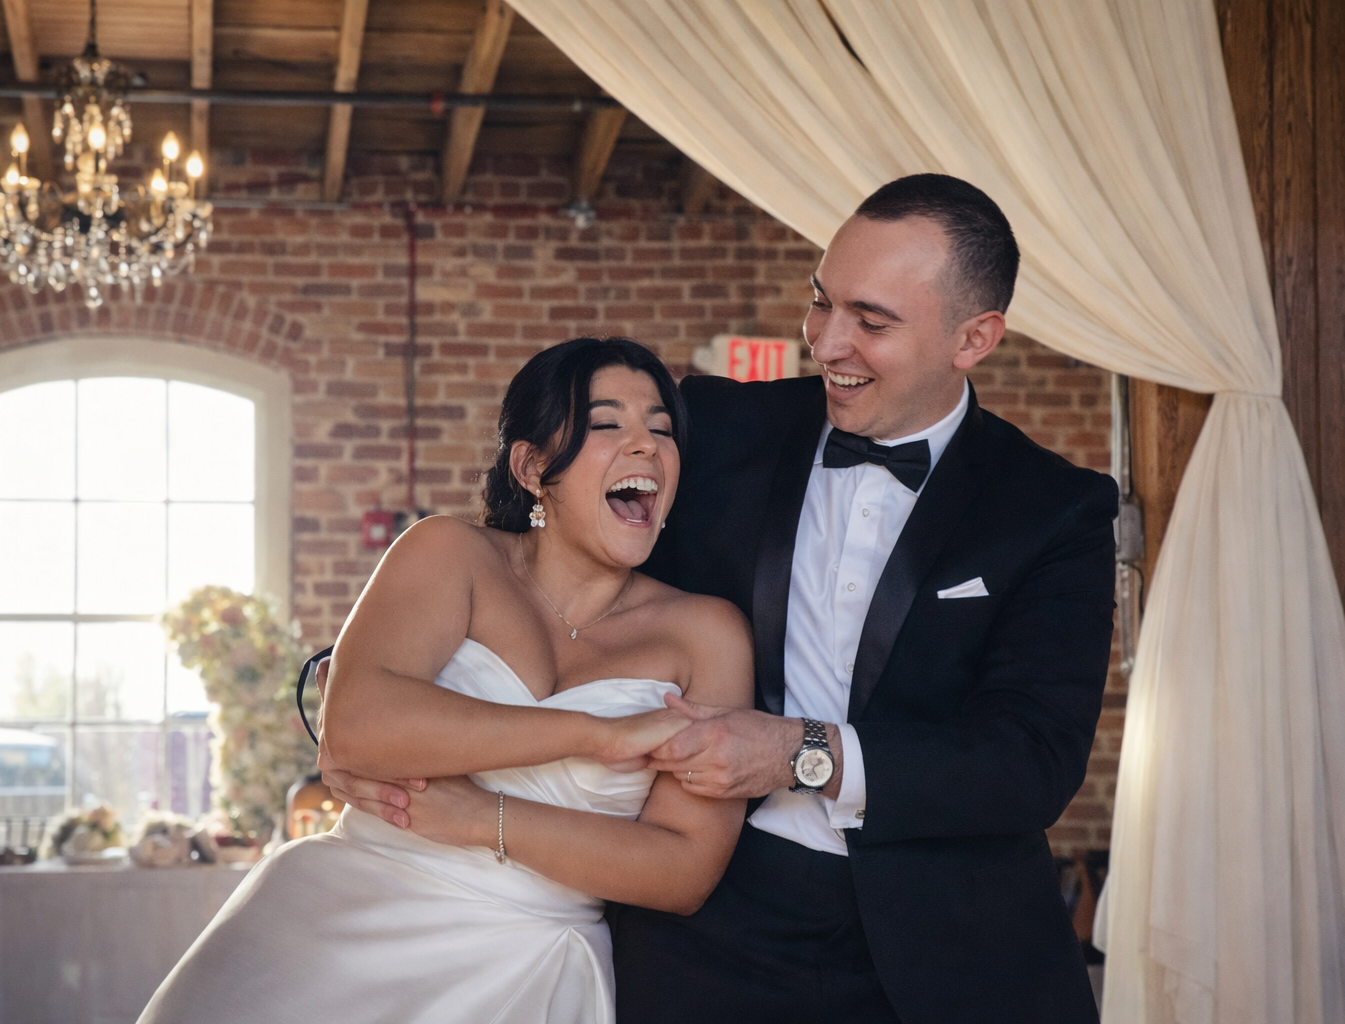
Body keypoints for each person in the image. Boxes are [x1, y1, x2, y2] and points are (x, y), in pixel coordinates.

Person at [328, 174, 1117, 1024]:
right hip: (710, 925)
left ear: (976, 337)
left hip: (950, 943)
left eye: (871, 320)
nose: (827, 340)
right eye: (822, 302)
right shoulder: (714, 428)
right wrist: (371, 709)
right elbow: (551, 535)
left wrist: (799, 754)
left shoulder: (1055, 509)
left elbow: (1029, 763)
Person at [137, 337, 753, 1024]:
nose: (646, 447)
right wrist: (596, 735)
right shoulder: (448, 554)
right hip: (335, 928)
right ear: (532, 465)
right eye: (607, 423)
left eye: (661, 430)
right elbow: (357, 729)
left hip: (532, 974)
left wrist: (479, 819)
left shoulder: (707, 634)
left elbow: (682, 873)